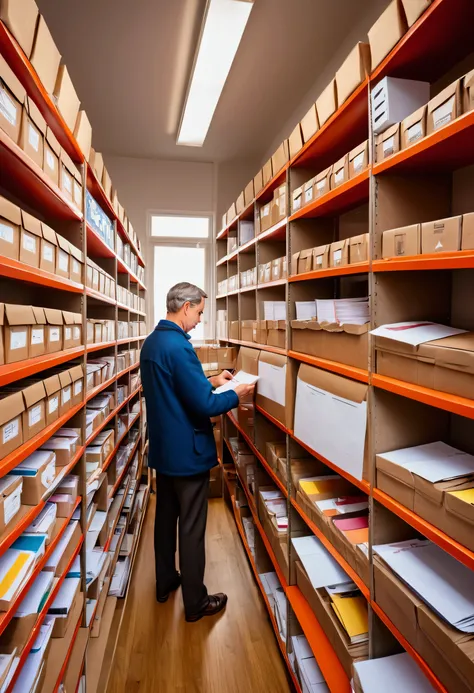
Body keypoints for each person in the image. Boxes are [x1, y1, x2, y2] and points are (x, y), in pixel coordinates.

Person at [140, 282, 255, 622]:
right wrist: (238, 392)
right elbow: (205, 406)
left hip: (165, 451)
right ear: (186, 306)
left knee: (165, 520)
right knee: (191, 527)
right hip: (188, 454)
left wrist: (210, 378)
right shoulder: (178, 347)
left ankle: (165, 582)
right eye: (200, 312)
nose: (200, 320)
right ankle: (196, 603)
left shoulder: (153, 343)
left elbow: (175, 388)